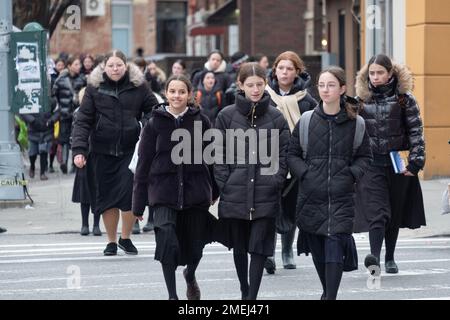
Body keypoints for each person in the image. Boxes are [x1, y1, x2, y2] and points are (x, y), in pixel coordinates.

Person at [288, 66, 372, 300]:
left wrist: (350, 174)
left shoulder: (357, 124)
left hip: (341, 197)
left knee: (335, 244)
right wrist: (305, 173)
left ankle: (330, 296)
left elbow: (365, 156)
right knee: (318, 250)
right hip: (310, 198)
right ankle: (327, 292)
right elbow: (291, 153)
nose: (325, 90)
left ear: (342, 89)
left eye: (331, 85)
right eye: (322, 85)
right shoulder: (306, 121)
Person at [132, 74, 219, 300]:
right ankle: (172, 296)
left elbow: (212, 159)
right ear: (166, 93)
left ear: (189, 94)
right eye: (172, 91)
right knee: (167, 242)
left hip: (195, 192)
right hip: (163, 193)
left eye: (181, 92)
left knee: (196, 246)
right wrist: (138, 204)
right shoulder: (154, 123)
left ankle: (190, 274)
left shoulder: (202, 121)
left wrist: (215, 190)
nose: (176, 96)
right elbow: (143, 164)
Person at [214, 63, 290, 300]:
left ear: (265, 84)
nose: (255, 89)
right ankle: (244, 289)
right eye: (250, 85)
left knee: (259, 247)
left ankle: (251, 298)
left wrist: (276, 179)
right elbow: (218, 152)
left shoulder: (276, 117)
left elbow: (284, 152)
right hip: (235, 190)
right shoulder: (226, 116)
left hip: (266, 191)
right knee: (239, 246)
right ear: (240, 85)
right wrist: (224, 181)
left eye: (260, 84)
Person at [72, 50, 158, 255]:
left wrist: (146, 127)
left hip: (130, 150)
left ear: (125, 66)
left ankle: (125, 237)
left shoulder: (139, 85)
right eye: (111, 65)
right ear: (104, 67)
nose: (115, 69)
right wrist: (79, 150)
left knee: (129, 195)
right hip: (102, 151)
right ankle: (111, 241)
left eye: (119, 64)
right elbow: (83, 120)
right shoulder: (94, 88)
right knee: (107, 198)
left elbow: (153, 110)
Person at [354, 54, 426, 274]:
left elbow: (416, 132)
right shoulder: (360, 101)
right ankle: (374, 257)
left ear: (390, 74)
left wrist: (416, 162)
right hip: (371, 164)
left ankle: (390, 257)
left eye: (380, 73)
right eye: (372, 73)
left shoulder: (405, 99)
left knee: (394, 212)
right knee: (378, 212)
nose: (375, 77)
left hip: (397, 163)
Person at [264, 51, 317, 274]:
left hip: (296, 159)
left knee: (292, 206)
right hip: (269, 158)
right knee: (267, 206)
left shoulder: (307, 100)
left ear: (297, 72)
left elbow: (314, 130)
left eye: (289, 69)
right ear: (274, 70)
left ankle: (287, 250)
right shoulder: (264, 96)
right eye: (281, 68)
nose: (284, 72)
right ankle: (267, 252)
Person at [71, 87, 102, 236]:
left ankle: (96, 224)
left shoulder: (101, 114)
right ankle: (84, 224)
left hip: (98, 156)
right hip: (84, 156)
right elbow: (76, 135)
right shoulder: (78, 113)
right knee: (84, 192)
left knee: (98, 191)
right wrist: (78, 153)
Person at [52, 55, 87, 174]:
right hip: (64, 114)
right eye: (76, 64)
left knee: (75, 138)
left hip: (78, 114)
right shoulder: (60, 80)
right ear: (69, 66)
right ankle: (63, 163)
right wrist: (59, 108)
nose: (79, 66)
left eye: (79, 64)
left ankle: (74, 164)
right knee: (64, 139)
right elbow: (54, 95)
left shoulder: (82, 79)